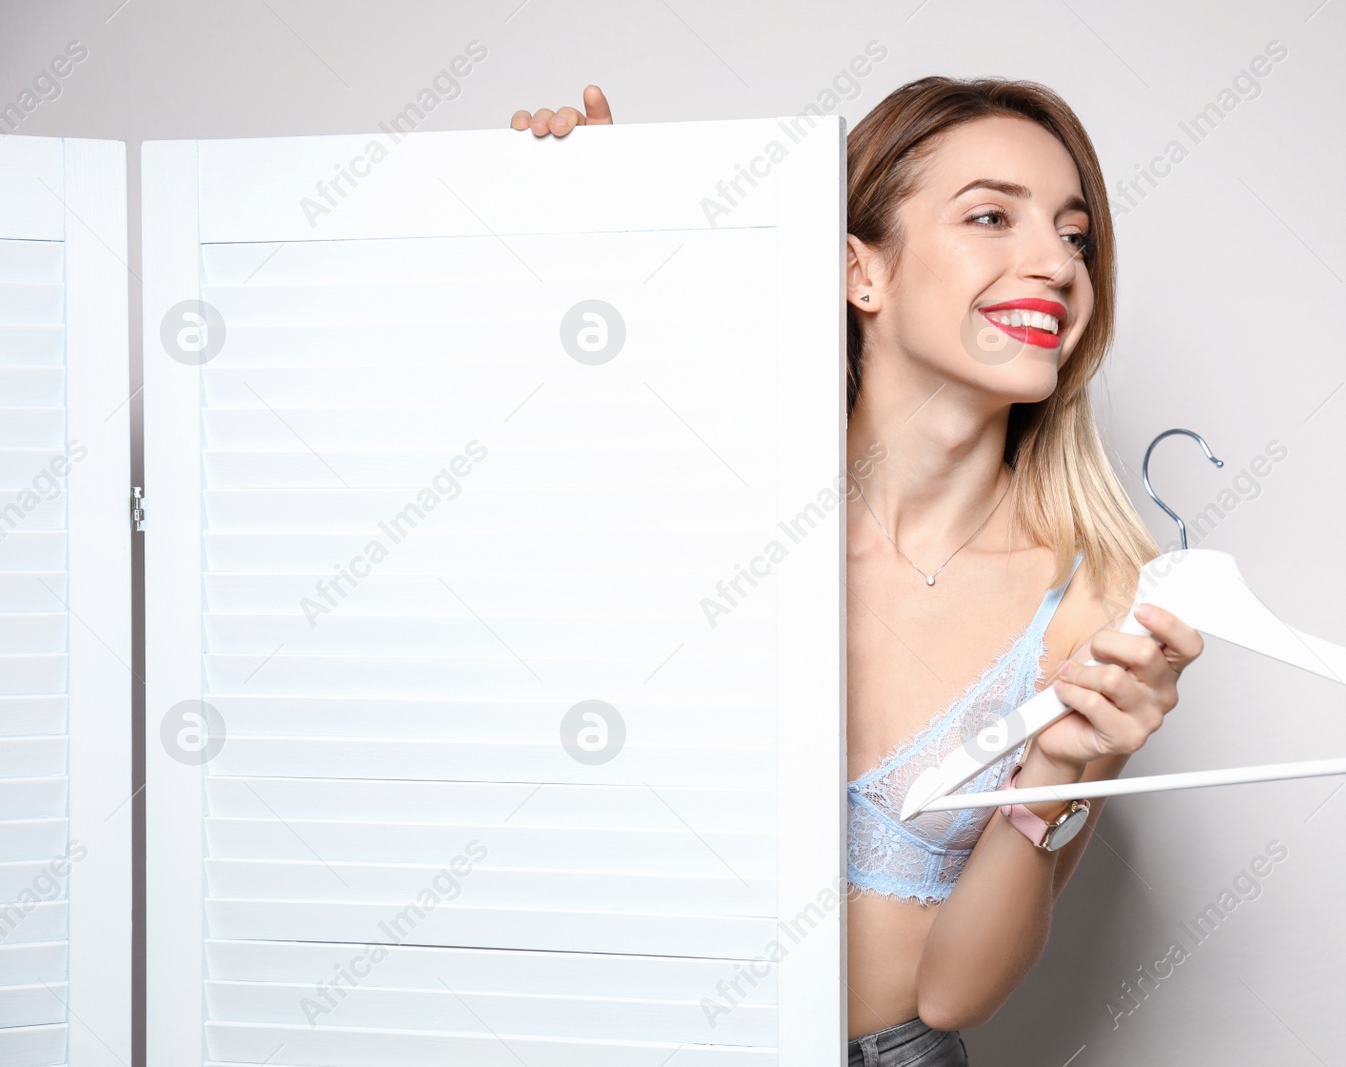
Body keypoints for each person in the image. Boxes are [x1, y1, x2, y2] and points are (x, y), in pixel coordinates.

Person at [511, 79, 1204, 1066]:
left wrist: (1057, 764)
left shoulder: (1097, 599)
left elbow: (958, 991)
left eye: (1075, 234)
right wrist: (586, 207)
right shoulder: (714, 499)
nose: (1053, 263)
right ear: (859, 272)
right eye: (991, 215)